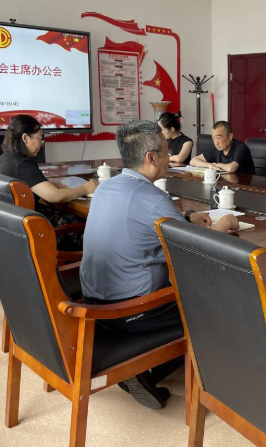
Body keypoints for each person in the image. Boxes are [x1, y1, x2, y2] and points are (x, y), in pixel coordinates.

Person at [80, 119, 239, 409]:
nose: (170, 157)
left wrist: (187, 216)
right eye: (167, 152)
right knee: (220, 307)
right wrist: (224, 224)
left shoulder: (106, 187)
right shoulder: (152, 199)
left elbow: (153, 223)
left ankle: (140, 368)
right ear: (151, 158)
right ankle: (143, 369)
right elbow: (196, 253)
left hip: (94, 305)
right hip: (132, 312)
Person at [0, 114, 97, 249]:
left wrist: (50, 184)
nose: (41, 144)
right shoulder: (22, 165)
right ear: (25, 138)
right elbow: (55, 196)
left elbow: (29, 183)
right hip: (33, 233)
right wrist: (86, 188)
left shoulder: (4, 159)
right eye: (40, 138)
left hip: (9, 230)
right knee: (86, 223)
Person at [189, 120, 256, 175]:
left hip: (245, 185)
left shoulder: (241, 148)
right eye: (213, 138)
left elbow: (231, 168)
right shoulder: (217, 149)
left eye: (218, 138)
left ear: (230, 136)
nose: (216, 142)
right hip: (225, 184)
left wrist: (219, 165)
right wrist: (210, 165)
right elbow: (193, 161)